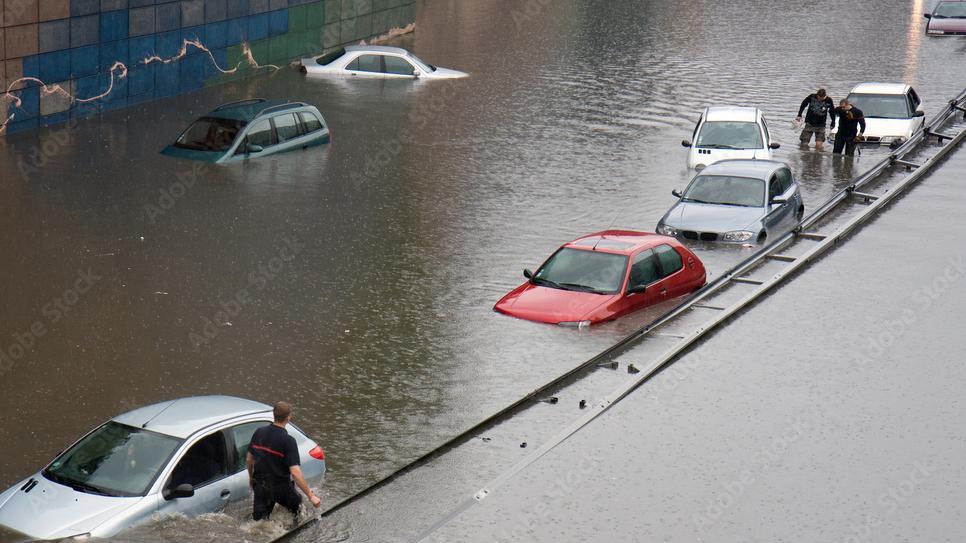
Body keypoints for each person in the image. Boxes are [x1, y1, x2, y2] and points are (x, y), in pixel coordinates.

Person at [247, 401, 322, 521]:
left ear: (274, 414)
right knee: (301, 513)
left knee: (259, 522)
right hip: (281, 488)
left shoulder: (258, 432)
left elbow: (249, 459)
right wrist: (311, 495)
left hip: (261, 486)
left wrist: (251, 478)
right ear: (289, 417)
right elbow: (295, 473)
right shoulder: (288, 441)